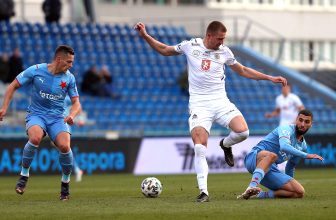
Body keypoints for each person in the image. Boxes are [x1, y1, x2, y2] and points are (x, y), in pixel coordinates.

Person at [134, 21, 287, 202]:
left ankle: (226, 144)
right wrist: (145, 35)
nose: (222, 42)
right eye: (219, 39)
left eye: (224, 39)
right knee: (199, 148)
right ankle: (204, 192)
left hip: (220, 101)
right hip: (199, 105)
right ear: (209, 36)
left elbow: (243, 70)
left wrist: (269, 77)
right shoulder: (190, 46)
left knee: (243, 132)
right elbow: (165, 50)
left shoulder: (225, 52)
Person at [0, 45, 81, 201]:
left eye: (72, 62)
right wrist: (4, 108)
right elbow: (13, 86)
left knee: (65, 146)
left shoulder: (69, 78)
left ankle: (65, 184)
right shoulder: (36, 70)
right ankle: (24, 175)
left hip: (58, 117)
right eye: (69, 62)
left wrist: (72, 114)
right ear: (59, 59)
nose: (71, 65)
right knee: (35, 137)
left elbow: (77, 103)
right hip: (37, 115)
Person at [237, 109, 324, 200]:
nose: (302, 124)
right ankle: (251, 186)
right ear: (296, 119)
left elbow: (290, 166)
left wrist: (288, 182)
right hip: (254, 158)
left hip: (269, 169)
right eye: (300, 120)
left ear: (311, 124)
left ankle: (258, 195)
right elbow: (284, 146)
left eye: (307, 122)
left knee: (298, 192)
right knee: (272, 155)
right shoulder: (286, 129)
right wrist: (306, 155)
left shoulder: (303, 146)